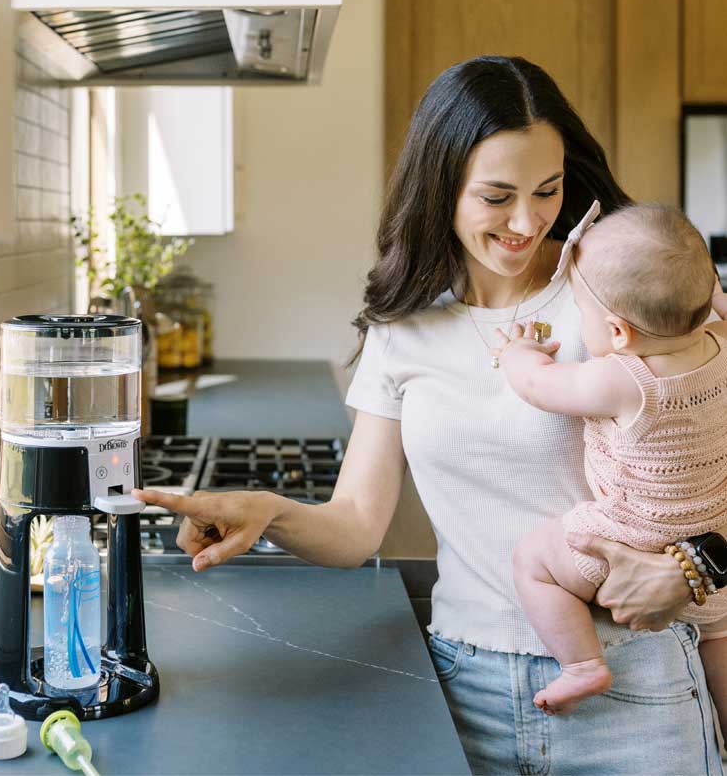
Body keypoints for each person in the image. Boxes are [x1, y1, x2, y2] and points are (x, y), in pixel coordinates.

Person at [134, 56, 724, 774]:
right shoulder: (402, 332)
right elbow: (355, 524)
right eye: (497, 196)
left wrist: (699, 565)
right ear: (442, 189)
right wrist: (270, 512)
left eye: (548, 190)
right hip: (463, 692)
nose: (527, 221)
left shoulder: (621, 301)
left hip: (636, 690)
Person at [491, 202, 727, 721]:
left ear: (618, 333)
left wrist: (517, 354)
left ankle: (582, 666)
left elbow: (538, 386)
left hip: (630, 535)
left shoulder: (622, 379)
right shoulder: (720, 347)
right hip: (709, 539)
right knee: (719, 639)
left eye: (581, 310)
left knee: (533, 563)